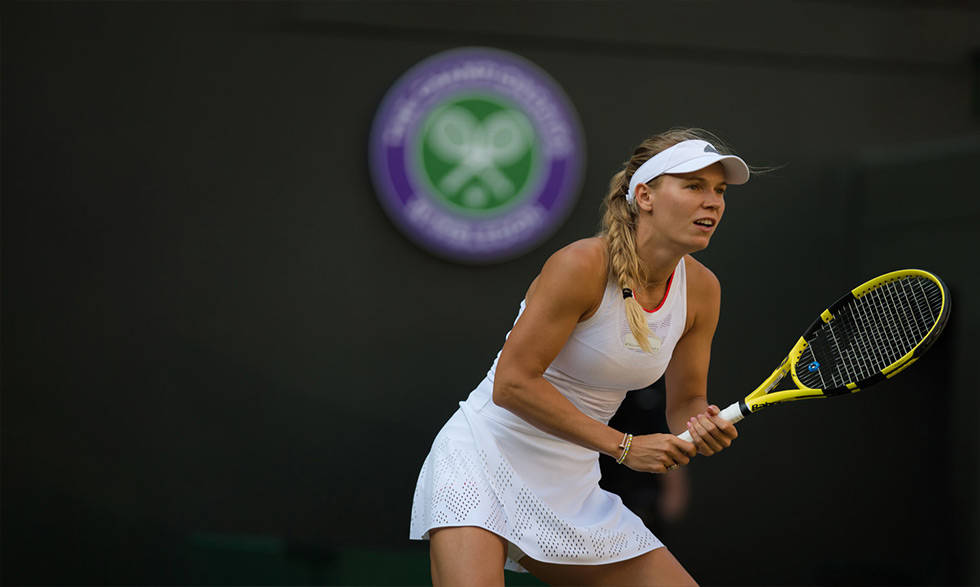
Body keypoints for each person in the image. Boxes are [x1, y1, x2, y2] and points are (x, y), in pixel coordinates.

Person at [410, 128, 747, 586]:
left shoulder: (704, 290)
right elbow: (512, 384)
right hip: (483, 458)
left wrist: (699, 425)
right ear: (644, 196)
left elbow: (685, 401)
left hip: (573, 480)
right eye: (694, 186)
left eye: (719, 191)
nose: (713, 202)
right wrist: (624, 447)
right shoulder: (581, 265)